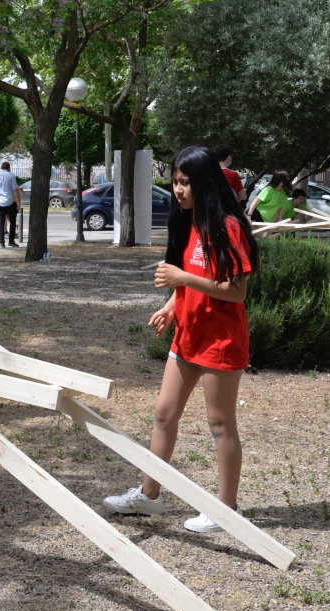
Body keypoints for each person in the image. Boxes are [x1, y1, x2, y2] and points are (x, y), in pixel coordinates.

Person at [103, 145, 259, 533]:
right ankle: (150, 495)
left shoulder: (229, 227)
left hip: (220, 341)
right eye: (174, 182)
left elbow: (235, 291)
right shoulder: (187, 222)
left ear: (204, 182)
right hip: (187, 336)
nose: (178, 190)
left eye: (185, 182)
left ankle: (227, 508)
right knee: (163, 414)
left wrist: (182, 280)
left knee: (220, 424)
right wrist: (173, 304)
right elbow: (186, 274)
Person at [0, 161, 21, 247]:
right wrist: (18, 201)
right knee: (12, 221)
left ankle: (2, 242)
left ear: (1, 167)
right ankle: (11, 241)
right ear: (8, 168)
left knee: (1, 222)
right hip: (10, 201)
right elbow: (15, 189)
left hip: (0, 202)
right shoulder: (11, 175)